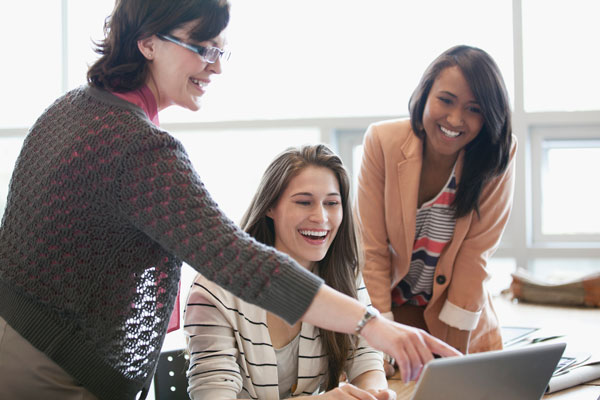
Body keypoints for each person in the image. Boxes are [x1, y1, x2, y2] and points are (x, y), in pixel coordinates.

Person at [0, 1, 459, 399]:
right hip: (53, 365)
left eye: (220, 50)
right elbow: (239, 260)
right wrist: (372, 324)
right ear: (147, 42)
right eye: (201, 47)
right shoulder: (137, 146)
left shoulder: (72, 108)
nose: (215, 65)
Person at [184, 144, 396, 400]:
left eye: (331, 203)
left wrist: (373, 393)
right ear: (270, 207)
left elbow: (365, 357)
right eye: (304, 202)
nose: (321, 217)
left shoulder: (343, 276)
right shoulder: (214, 290)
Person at [355, 45, 516, 374]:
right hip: (391, 317)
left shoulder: (496, 155)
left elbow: (475, 257)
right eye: (446, 100)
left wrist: (454, 356)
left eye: (474, 108)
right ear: (424, 94)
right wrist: (380, 339)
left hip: (457, 322)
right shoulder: (382, 142)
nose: (456, 119)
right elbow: (371, 250)